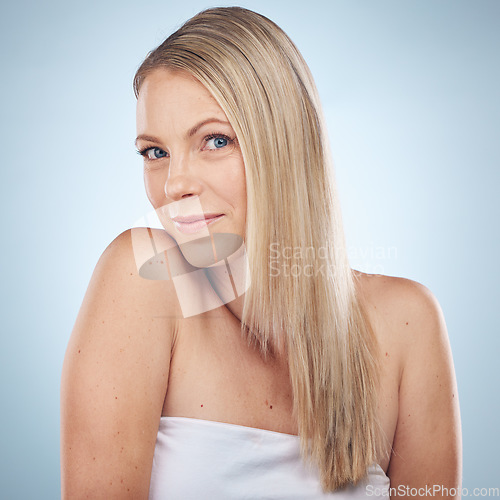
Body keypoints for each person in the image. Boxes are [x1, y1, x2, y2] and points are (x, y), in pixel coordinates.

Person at [60, 6, 462, 499]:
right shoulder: (145, 277)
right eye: (155, 152)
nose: (175, 184)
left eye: (215, 140)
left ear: (284, 146)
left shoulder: (406, 325)